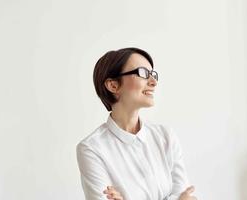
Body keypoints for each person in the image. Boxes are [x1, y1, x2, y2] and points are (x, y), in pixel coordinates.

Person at [76, 47, 197, 200]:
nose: (153, 82)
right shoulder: (91, 149)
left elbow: (186, 196)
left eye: (153, 74)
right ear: (113, 85)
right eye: (143, 73)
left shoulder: (166, 136)